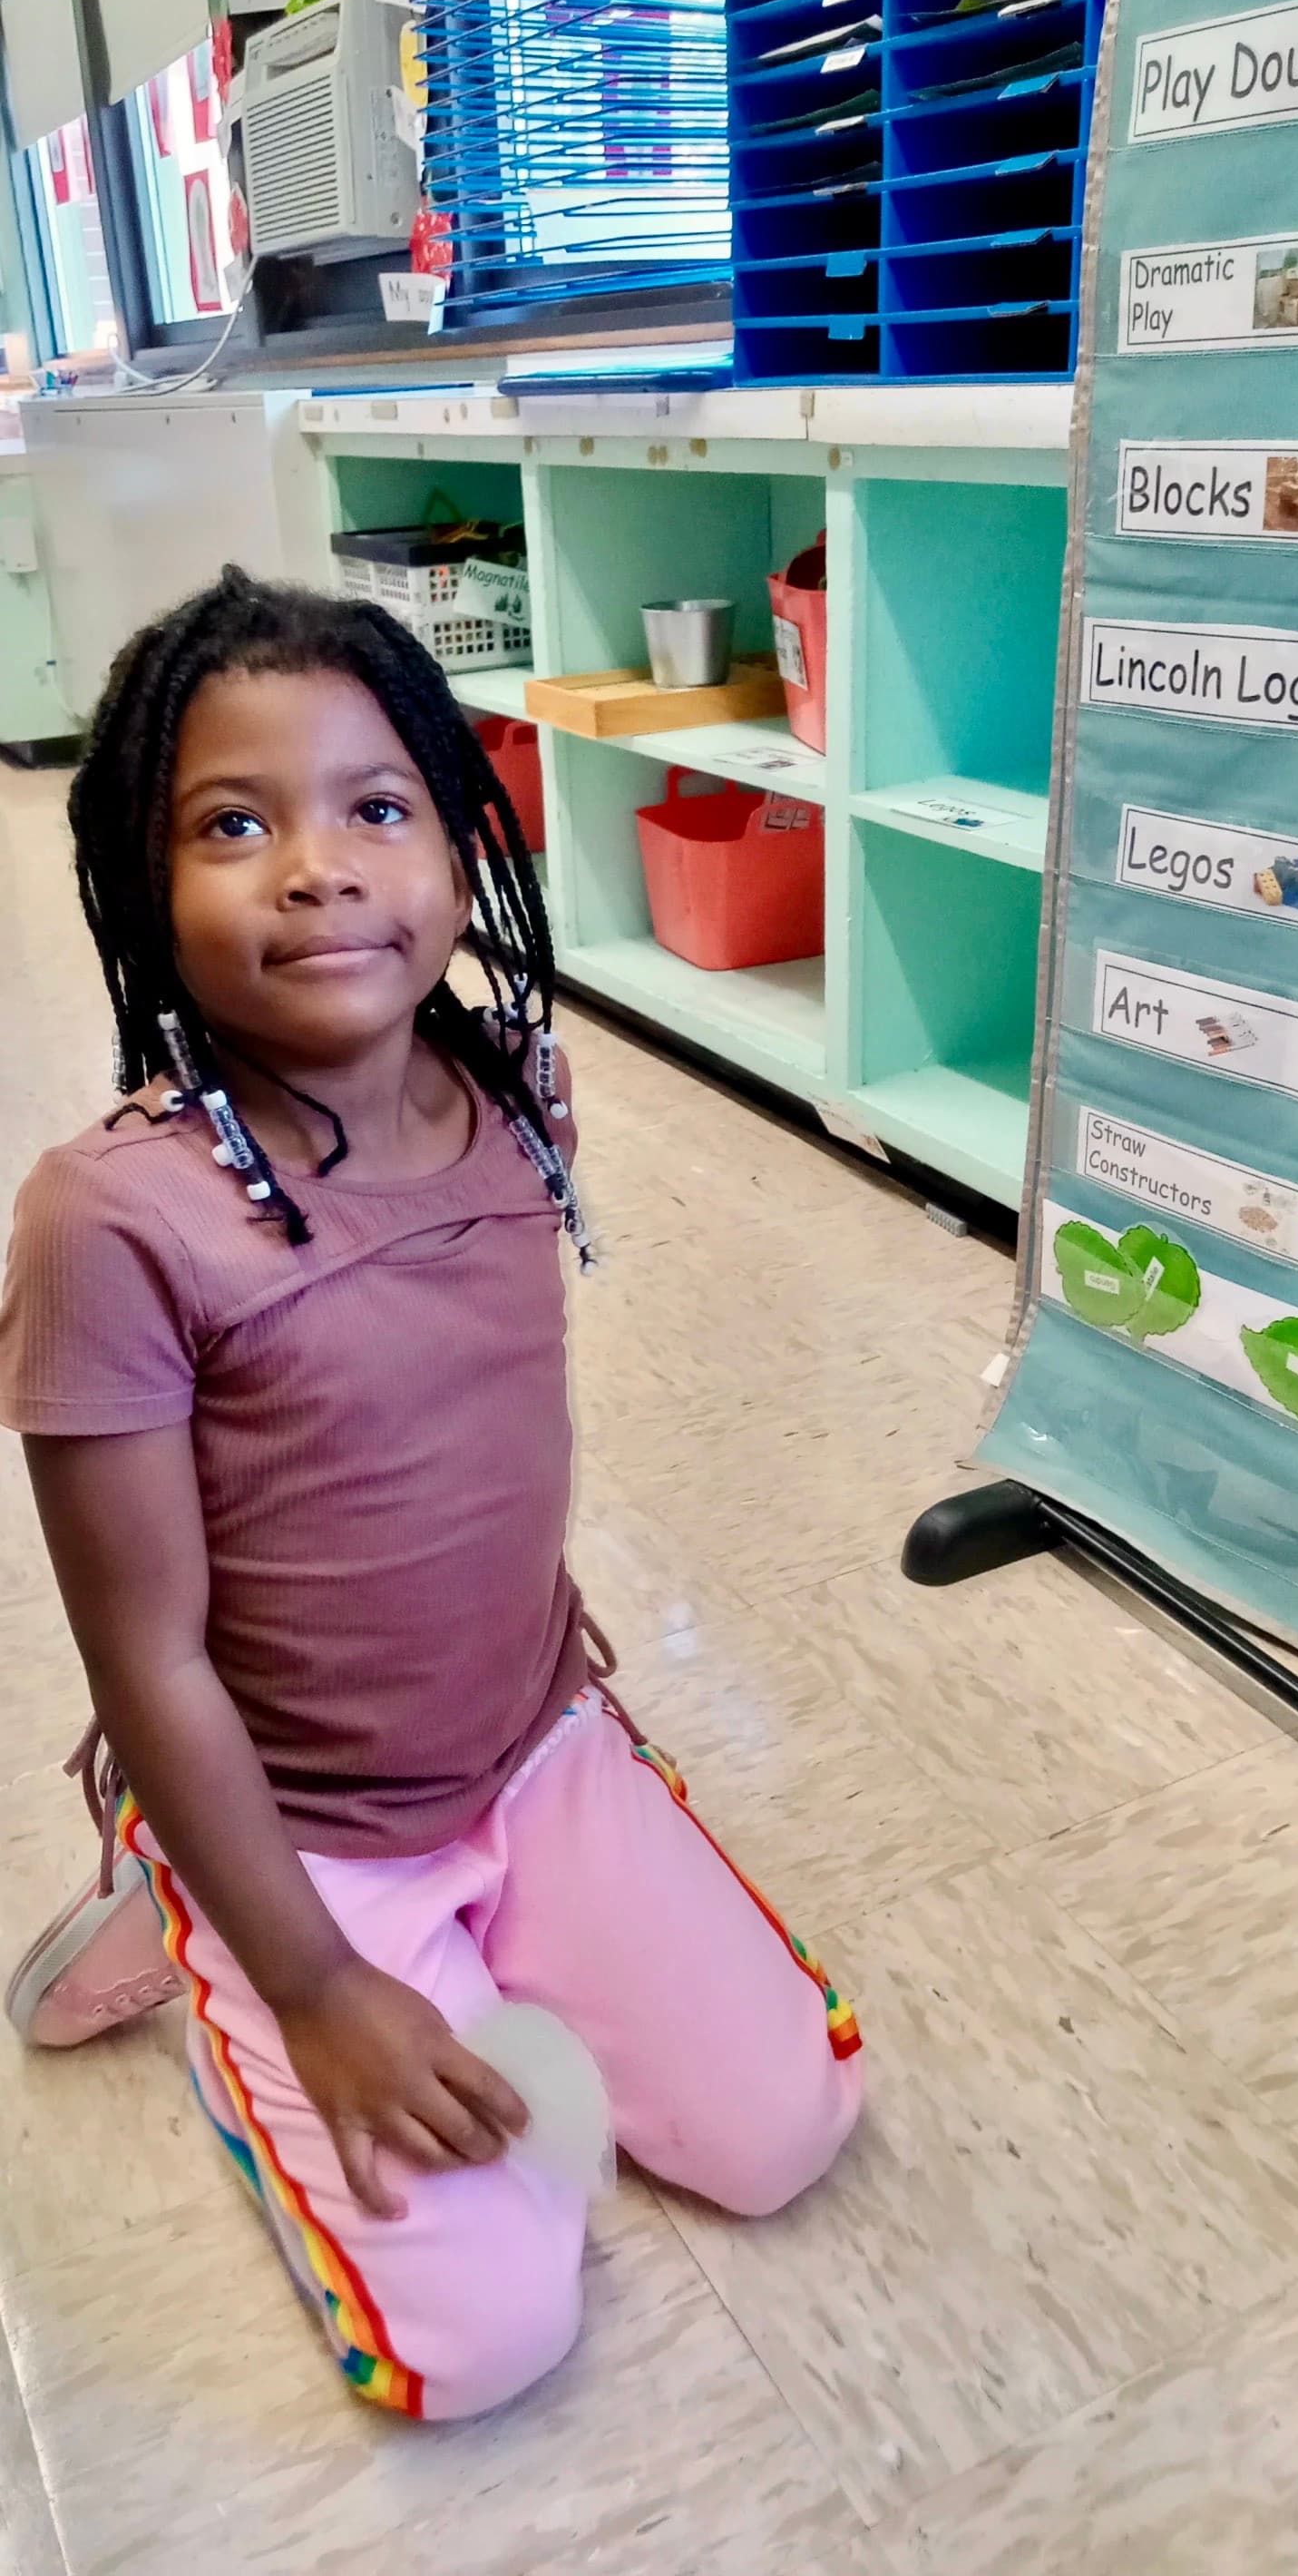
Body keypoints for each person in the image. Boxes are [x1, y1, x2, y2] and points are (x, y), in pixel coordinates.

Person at [0, 570, 862, 2421]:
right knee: (482, 2344)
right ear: (142, 887)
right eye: (234, 824)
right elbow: (145, 1651)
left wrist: (531, 1652)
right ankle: (204, 1930)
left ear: (465, 856)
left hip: (529, 1735)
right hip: (297, 1825)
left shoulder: (519, 1085)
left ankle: (492, 1909)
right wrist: (313, 1982)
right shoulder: (109, 1220)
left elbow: (463, 1422)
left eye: (376, 807)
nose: (317, 866)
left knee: (786, 2128)